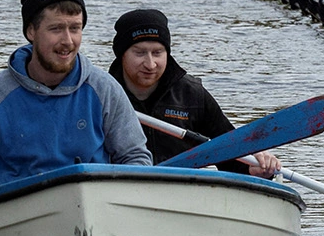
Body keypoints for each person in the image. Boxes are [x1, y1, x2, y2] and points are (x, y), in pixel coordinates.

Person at [0, 0, 152, 197]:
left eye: (75, 29)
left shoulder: (104, 89)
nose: (68, 40)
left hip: (96, 210)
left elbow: (136, 158)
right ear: (31, 31)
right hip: (16, 220)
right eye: (56, 29)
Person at [107, 9, 281, 177]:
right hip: (121, 184)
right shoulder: (102, 94)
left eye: (158, 53)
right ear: (122, 54)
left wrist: (256, 167)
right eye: (140, 53)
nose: (150, 64)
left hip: (182, 188)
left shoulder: (192, 94)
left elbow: (228, 154)